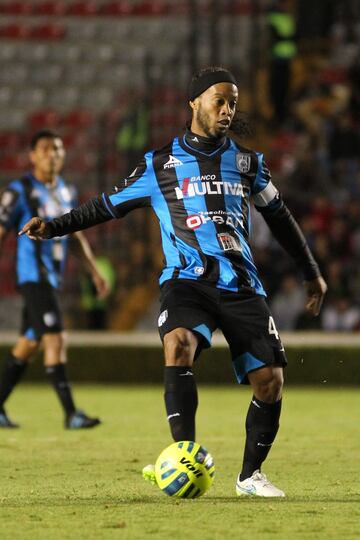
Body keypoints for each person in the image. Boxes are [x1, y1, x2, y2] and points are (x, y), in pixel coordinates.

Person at [20, 68, 327, 496]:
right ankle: (184, 453)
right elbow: (105, 206)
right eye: (219, 100)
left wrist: (310, 271)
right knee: (178, 343)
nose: (227, 110)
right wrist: (53, 227)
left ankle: (249, 476)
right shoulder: (159, 164)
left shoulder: (247, 162)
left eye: (233, 103)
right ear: (194, 103)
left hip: (241, 283)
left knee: (270, 382)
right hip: (187, 280)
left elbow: (280, 218)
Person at [0, 129, 109, 429]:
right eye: (46, 149)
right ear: (33, 155)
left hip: (51, 279)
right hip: (33, 276)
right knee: (56, 338)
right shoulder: (19, 190)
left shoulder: (66, 191)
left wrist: (94, 271)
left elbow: (74, 236)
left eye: (58, 149)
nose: (53, 154)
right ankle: (71, 413)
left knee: (28, 343)